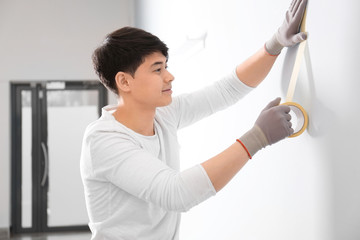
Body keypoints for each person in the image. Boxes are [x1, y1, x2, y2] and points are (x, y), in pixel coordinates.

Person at [80, 0, 308, 239]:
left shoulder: (162, 114)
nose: (170, 76)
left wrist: (275, 43)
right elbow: (176, 193)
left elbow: (226, 90)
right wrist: (257, 138)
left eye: (166, 66)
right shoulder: (103, 140)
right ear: (124, 81)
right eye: (157, 69)